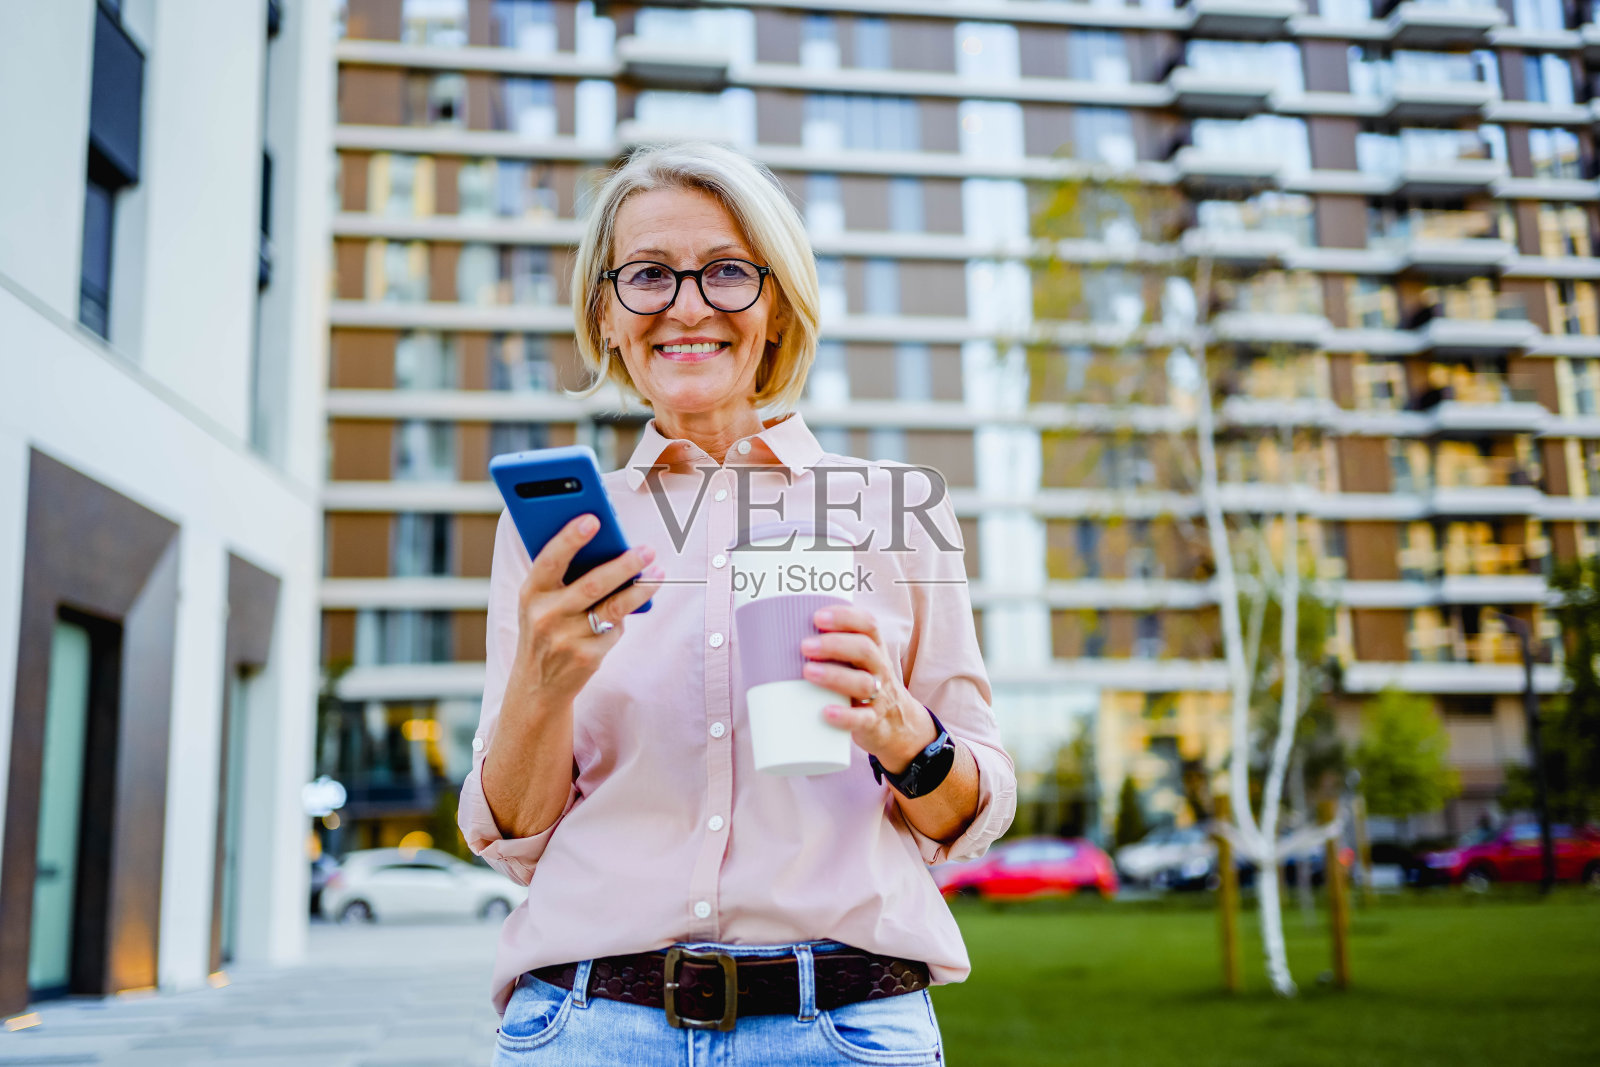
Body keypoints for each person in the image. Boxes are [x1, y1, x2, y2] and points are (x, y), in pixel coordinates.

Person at [459, 142, 1016, 1066]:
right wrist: (541, 685)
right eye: (648, 274)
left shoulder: (895, 507)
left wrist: (904, 733)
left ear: (778, 304)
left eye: (725, 271)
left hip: (842, 1031)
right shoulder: (556, 530)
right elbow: (513, 837)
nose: (687, 306)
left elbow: (974, 813)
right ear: (606, 313)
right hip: (588, 1028)